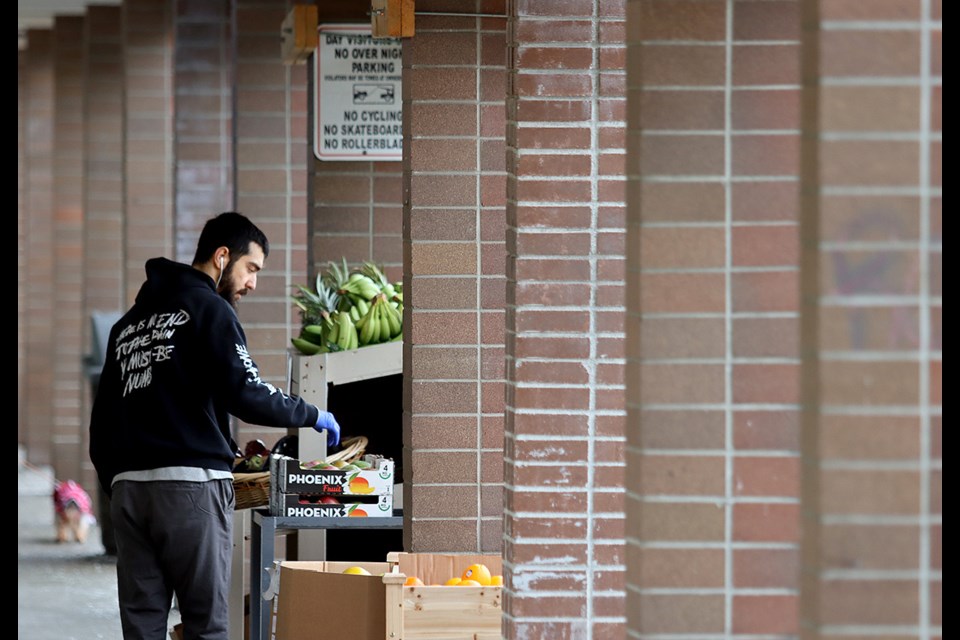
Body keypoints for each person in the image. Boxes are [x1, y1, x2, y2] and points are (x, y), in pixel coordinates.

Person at [89, 211, 340, 639]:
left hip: (130, 493)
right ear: (222, 256)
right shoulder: (211, 310)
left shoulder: (126, 327)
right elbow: (246, 391)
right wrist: (311, 414)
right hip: (191, 489)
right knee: (206, 624)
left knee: (142, 626)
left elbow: (100, 427)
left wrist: (120, 484)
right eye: (251, 268)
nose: (252, 283)